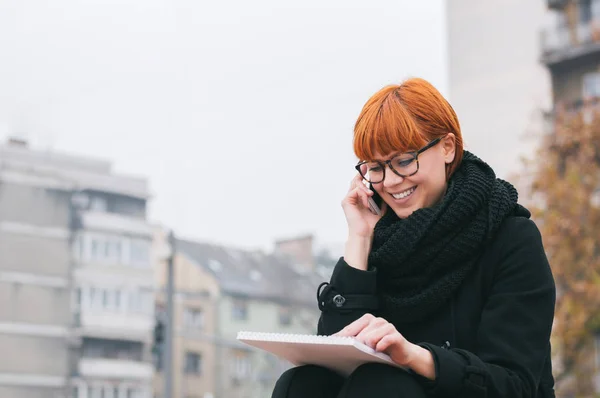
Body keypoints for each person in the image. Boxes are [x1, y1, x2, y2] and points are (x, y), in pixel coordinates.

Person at [271, 78, 556, 398]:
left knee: (381, 386)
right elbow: (339, 354)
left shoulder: (510, 237)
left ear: (447, 147)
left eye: (404, 161)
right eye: (376, 168)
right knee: (301, 384)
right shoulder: (382, 240)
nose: (390, 181)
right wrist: (361, 236)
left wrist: (417, 357)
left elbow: (515, 385)